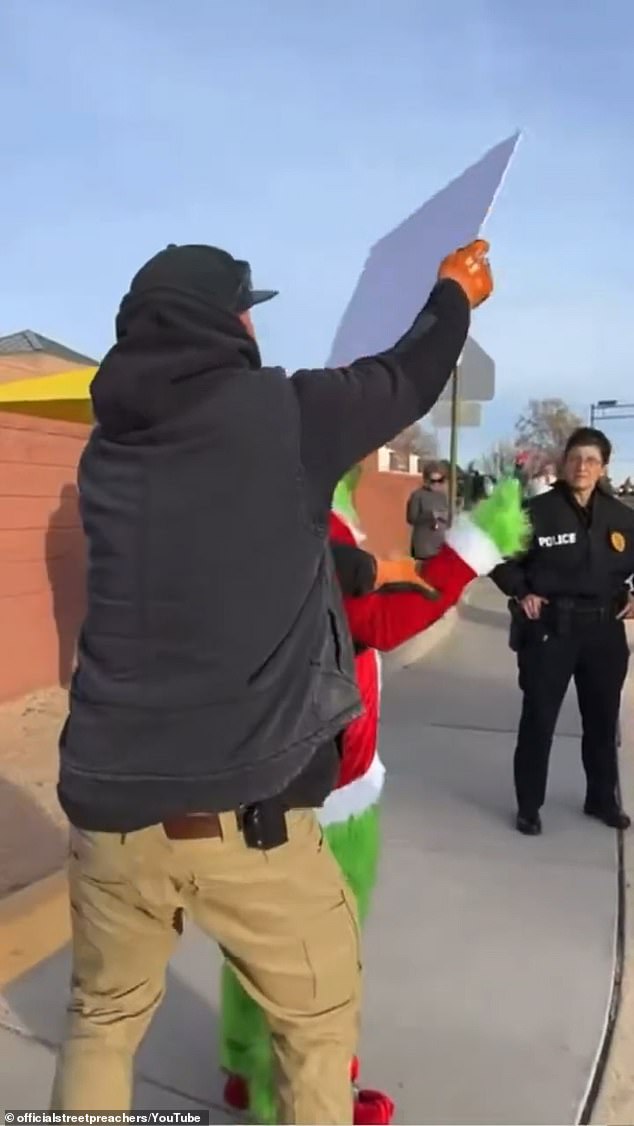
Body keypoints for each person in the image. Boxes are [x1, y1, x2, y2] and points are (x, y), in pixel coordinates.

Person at [51, 239, 493, 1123]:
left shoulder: (108, 451)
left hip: (106, 808)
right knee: (317, 1023)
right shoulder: (279, 413)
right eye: (247, 306)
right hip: (243, 811)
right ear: (225, 320)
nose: (256, 322)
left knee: (101, 1023)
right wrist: (455, 294)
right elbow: (406, 377)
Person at [219, 472, 528, 1125]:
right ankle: (306, 1095)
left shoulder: (249, 510)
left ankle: (248, 1065)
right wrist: (473, 550)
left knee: (257, 944)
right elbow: (381, 620)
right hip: (326, 790)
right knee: (321, 963)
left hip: (266, 772)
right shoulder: (312, 522)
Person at [491, 427, 634, 836]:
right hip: (551, 630)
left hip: (604, 632)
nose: (582, 466)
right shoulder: (535, 512)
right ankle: (529, 807)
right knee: (539, 720)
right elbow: (500, 558)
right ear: (563, 463)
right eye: (575, 458)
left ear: (604, 467)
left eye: (591, 460)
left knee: (603, 722)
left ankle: (602, 799)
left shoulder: (623, 517)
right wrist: (521, 591)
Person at [406, 461, 450, 561]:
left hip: (440, 545)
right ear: (426, 480)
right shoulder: (417, 495)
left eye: (440, 480)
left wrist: (446, 516)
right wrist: (430, 515)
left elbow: (449, 520)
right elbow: (411, 518)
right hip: (424, 546)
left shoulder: (442, 496)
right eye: (433, 481)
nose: (437, 484)